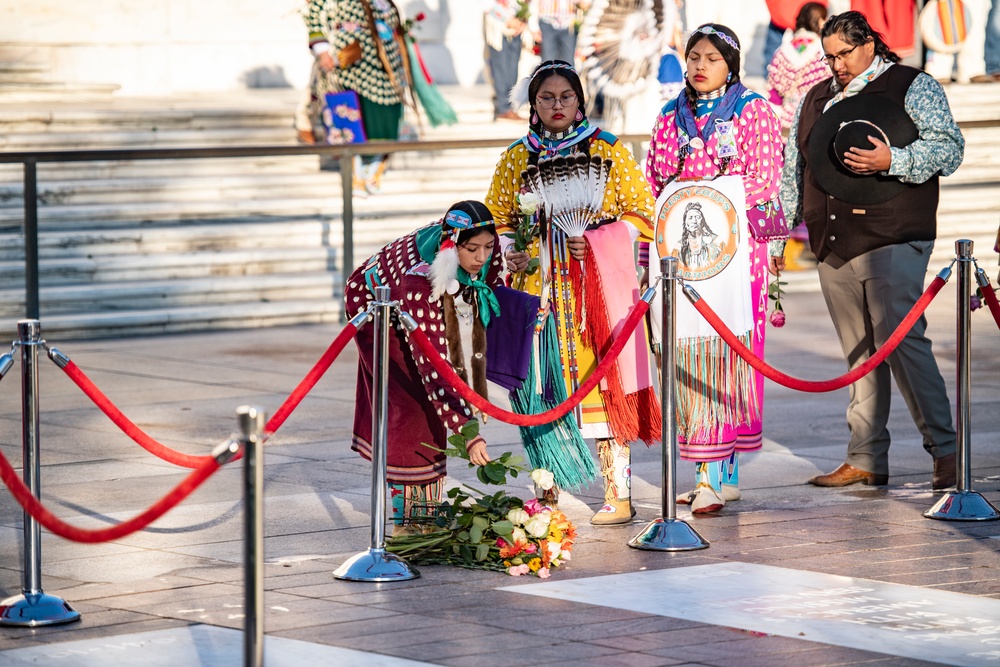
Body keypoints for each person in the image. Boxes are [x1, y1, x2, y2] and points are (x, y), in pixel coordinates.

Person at [779, 11, 962, 489]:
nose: (836, 64)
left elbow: (950, 149)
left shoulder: (912, 85)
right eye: (829, 56)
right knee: (858, 353)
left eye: (843, 53)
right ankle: (865, 457)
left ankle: (947, 452)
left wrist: (893, 160)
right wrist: (779, 235)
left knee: (903, 345)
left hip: (894, 235)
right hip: (832, 241)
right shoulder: (813, 98)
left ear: (869, 45)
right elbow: (793, 171)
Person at [485, 60, 659, 525]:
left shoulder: (607, 150)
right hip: (538, 297)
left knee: (602, 386)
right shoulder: (517, 158)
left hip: (593, 297)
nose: (556, 105)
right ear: (533, 104)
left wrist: (601, 237)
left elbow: (643, 214)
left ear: (580, 100)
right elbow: (496, 217)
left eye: (565, 97)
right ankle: (546, 489)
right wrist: (508, 249)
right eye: (546, 98)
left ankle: (617, 493)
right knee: (541, 391)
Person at [646, 24, 787, 514]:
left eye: (711, 58)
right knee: (690, 358)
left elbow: (764, 177)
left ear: (731, 63)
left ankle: (715, 472)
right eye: (693, 57)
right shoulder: (671, 114)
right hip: (686, 258)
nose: (700, 66)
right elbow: (656, 180)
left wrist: (707, 191)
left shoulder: (753, 110)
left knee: (726, 356)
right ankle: (714, 469)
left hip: (738, 256)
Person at [344, 201, 502, 534]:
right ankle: (408, 523)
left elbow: (484, 295)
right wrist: (468, 432)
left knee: (431, 407)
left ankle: (426, 516)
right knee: (412, 402)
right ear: (450, 244)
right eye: (472, 249)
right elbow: (435, 366)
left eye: (488, 246)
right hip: (376, 308)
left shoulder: (484, 252)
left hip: (413, 302)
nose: (482, 257)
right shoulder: (420, 282)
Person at [303, 0, 414, 193]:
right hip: (352, 66)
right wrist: (323, 51)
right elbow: (314, 14)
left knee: (386, 120)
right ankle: (357, 173)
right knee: (353, 120)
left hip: (388, 68)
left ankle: (373, 171)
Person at [767, 2, 829, 132]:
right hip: (815, 118)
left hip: (786, 120)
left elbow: (774, 92)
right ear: (819, 21)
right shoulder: (823, 52)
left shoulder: (782, 51)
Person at [484, 1, 528, 121]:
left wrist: (522, 18)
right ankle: (503, 109)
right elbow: (487, 5)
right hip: (498, 27)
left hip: (516, 28)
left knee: (512, 70)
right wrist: (507, 19)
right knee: (501, 70)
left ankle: (510, 107)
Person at [531, 0, 588, 64]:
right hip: (547, 23)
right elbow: (533, 4)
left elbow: (584, 4)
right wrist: (534, 28)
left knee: (568, 61)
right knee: (548, 60)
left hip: (568, 25)